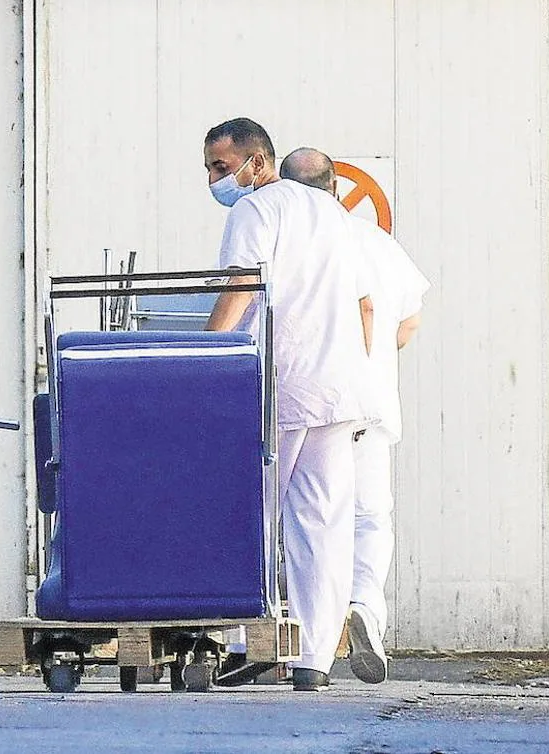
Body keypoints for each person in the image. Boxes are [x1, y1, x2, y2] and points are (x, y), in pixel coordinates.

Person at [201, 119, 376, 691]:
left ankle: (239, 643)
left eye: (220, 167)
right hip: (339, 387)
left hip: (284, 381)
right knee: (321, 523)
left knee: (246, 511)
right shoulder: (332, 213)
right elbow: (362, 302)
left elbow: (242, 286)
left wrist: (204, 354)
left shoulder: (254, 211)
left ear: (256, 162)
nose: (213, 180)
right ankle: (314, 660)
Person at [279, 147, 430, 685]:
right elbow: (407, 323)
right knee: (368, 516)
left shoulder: (294, 240)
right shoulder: (374, 241)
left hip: (316, 401)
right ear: (337, 189)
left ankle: (297, 632)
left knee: (310, 519)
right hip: (370, 404)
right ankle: (363, 608)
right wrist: (376, 357)